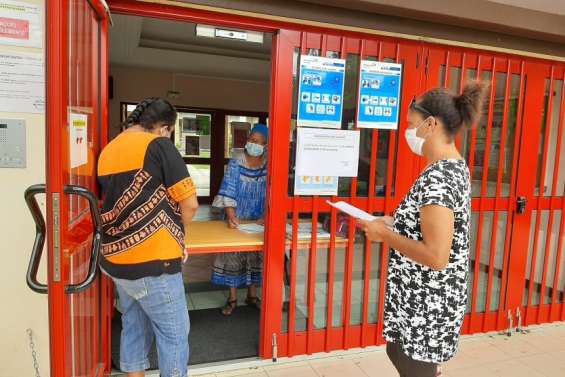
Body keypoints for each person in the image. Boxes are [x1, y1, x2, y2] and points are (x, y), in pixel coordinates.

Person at [358, 81, 489, 377]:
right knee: (401, 356)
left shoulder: (439, 178)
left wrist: (384, 235)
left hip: (426, 308)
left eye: (411, 124)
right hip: (424, 300)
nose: (408, 132)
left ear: (430, 124)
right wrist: (393, 224)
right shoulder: (453, 167)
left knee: (414, 368)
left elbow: (436, 255)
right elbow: (430, 228)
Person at [97, 97, 199, 377]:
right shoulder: (158, 146)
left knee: (134, 323)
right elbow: (189, 204)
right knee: (174, 335)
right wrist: (179, 237)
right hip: (154, 263)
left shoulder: (108, 150)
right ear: (164, 128)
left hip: (116, 261)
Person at [211, 124, 269, 316]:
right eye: (251, 140)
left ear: (266, 145)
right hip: (236, 217)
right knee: (232, 258)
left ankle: (252, 296)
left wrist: (266, 215)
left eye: (258, 142)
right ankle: (232, 298)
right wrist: (232, 215)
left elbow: (272, 193)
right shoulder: (236, 162)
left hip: (258, 220)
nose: (253, 144)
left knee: (256, 258)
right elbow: (228, 189)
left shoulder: (268, 165)